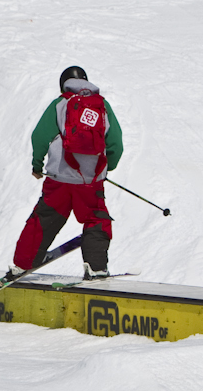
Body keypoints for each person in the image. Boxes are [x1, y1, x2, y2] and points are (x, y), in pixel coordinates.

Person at [9, 67, 123, 279]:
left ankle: (23, 263)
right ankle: (96, 268)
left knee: (44, 217)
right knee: (95, 218)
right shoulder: (102, 106)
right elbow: (116, 142)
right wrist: (107, 168)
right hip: (90, 182)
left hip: (59, 179)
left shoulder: (60, 104)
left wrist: (37, 165)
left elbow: (39, 136)